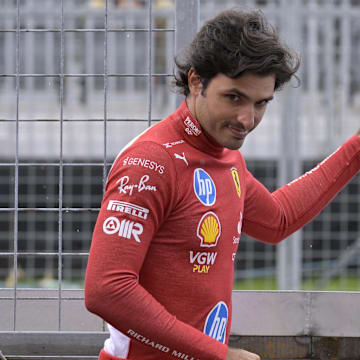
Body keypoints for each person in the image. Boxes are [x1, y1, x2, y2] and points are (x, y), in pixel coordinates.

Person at [84, 8, 360, 360]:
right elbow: (106, 290)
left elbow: (277, 220)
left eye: (261, 103)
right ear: (197, 81)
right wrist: (219, 355)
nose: (247, 119)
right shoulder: (151, 162)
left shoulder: (224, 154)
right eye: (234, 98)